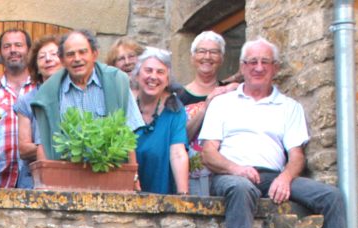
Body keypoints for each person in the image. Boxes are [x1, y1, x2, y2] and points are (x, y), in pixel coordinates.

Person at [201, 37, 358, 228]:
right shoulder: (224, 103)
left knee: (331, 196)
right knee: (241, 188)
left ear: (275, 68)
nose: (258, 67)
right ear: (242, 67)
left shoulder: (289, 107)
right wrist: (236, 168)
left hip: (272, 175)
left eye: (265, 61)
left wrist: (286, 177)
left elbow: (297, 155)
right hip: (230, 174)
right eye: (252, 62)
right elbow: (208, 152)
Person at [30, 30, 144, 163]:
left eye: (82, 52)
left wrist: (133, 179)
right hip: (65, 176)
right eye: (70, 54)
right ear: (62, 60)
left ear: (94, 54)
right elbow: (43, 144)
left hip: (109, 173)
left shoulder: (117, 82)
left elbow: (127, 136)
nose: (77, 59)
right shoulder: (48, 93)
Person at [177, 31, 239, 196]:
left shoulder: (232, 94)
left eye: (214, 52)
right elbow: (179, 139)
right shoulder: (178, 97)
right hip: (191, 176)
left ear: (222, 58)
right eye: (202, 51)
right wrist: (206, 107)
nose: (207, 56)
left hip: (225, 173)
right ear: (192, 58)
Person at [0, 28, 35, 188]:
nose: (13, 50)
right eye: (7, 46)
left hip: (35, 183)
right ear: (0, 53)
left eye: (18, 45)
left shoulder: (41, 90)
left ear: (29, 51)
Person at [133, 48, 189, 195]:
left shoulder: (175, 109)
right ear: (137, 75)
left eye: (160, 72)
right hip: (126, 189)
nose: (153, 77)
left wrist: (184, 197)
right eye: (148, 70)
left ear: (167, 80)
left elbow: (178, 153)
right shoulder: (125, 104)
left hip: (161, 190)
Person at [14, 34, 65, 188]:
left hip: (71, 177)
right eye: (42, 57)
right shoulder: (27, 100)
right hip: (33, 181)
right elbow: (24, 149)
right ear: (36, 66)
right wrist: (65, 148)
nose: (48, 59)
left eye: (54, 54)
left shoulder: (75, 95)